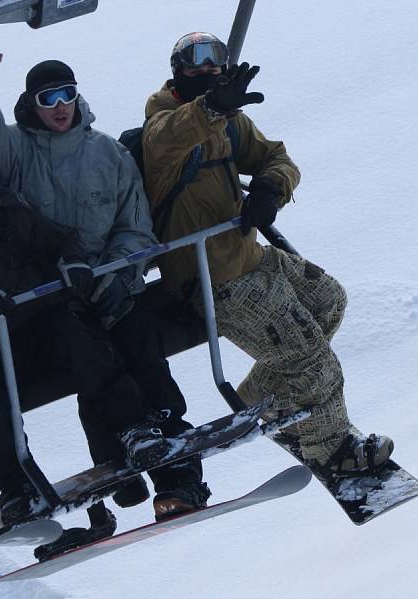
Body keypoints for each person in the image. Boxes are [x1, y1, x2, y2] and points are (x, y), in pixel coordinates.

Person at [0, 30, 212, 521]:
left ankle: (176, 474)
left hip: (111, 285)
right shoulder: (16, 152)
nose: (59, 106)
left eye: (67, 95)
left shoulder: (107, 154)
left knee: (143, 352)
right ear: (31, 104)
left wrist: (119, 272)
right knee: (90, 358)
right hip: (52, 298)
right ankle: (121, 464)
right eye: (48, 98)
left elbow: (134, 225)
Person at [141, 32, 394, 473]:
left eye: (213, 64)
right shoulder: (161, 125)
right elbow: (170, 136)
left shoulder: (230, 121)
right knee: (309, 356)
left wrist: (269, 188)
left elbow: (277, 156)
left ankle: (262, 399)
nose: (206, 72)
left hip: (251, 258)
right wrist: (211, 108)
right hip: (211, 277)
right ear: (177, 72)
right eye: (195, 66)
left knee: (329, 301)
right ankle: (330, 450)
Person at [0, 150, 172, 555]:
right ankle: (15, 485)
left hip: (38, 321)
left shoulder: (8, 211)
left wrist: (71, 260)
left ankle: (133, 427)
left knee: (83, 344)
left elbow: (59, 237)